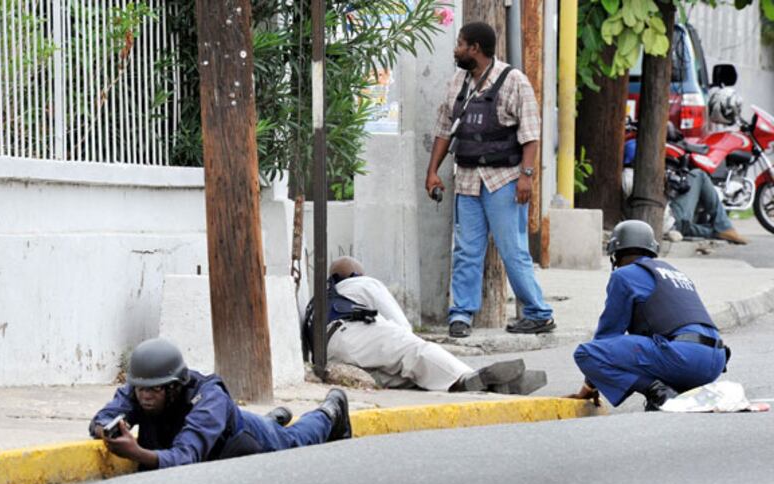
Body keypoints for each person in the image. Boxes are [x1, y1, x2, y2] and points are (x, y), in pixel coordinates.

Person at [425, 21, 554, 338]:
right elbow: (444, 130)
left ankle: (538, 313)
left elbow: (531, 134)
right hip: (468, 180)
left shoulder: (514, 81)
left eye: (460, 44)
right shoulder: (459, 83)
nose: (456, 49)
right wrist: (433, 172)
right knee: (467, 251)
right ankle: (461, 315)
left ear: (475, 49)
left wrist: (526, 176)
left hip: (504, 180)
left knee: (513, 251)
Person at [89, 338, 351, 470]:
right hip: (221, 429)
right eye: (141, 389)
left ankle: (330, 412)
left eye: (155, 389)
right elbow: (101, 419)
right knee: (271, 427)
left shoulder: (208, 398)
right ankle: (273, 419)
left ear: (175, 386)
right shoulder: (140, 387)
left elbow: (186, 456)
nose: (146, 396)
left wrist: (136, 453)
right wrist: (108, 431)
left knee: (292, 440)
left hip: (243, 438)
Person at [304, 256, 547, 394]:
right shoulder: (362, 283)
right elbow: (400, 324)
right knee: (415, 351)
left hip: (333, 353)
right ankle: (465, 377)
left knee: (406, 373)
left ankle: (492, 387)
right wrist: (411, 341)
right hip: (353, 335)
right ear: (356, 273)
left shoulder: (317, 299)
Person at [569, 220, 729, 411]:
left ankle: (657, 391)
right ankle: (674, 391)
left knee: (585, 352)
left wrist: (589, 386)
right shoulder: (675, 273)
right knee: (653, 347)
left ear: (616, 256)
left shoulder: (624, 275)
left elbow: (606, 339)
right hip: (716, 360)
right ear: (652, 250)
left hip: (683, 358)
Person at [669, 168, 747, 244]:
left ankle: (718, 231)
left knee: (682, 225)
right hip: (672, 220)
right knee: (698, 174)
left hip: (670, 225)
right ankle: (724, 226)